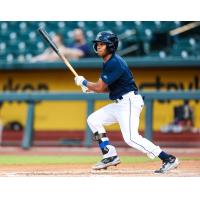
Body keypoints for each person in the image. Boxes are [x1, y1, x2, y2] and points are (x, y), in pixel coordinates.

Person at [74, 31, 180, 173]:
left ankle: (168, 158)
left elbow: (99, 87)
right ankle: (109, 154)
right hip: (120, 103)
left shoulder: (114, 62)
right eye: (97, 44)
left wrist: (85, 82)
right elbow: (106, 88)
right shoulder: (108, 62)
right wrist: (90, 89)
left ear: (110, 46)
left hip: (128, 102)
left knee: (131, 138)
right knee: (93, 119)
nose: (98, 47)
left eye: (102, 44)